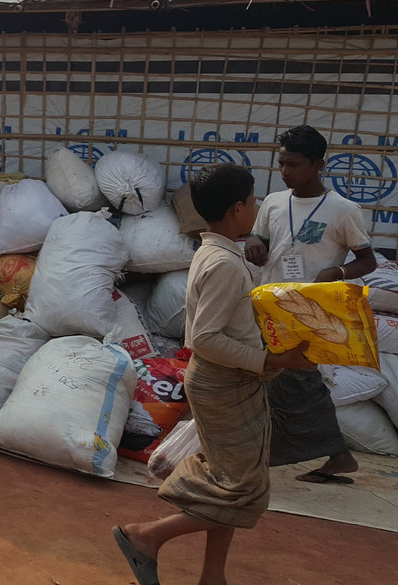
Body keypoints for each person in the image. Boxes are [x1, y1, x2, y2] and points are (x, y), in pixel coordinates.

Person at [115, 163, 315, 585]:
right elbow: (203, 338)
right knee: (242, 488)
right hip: (225, 384)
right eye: (253, 201)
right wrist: (270, 361)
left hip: (228, 382)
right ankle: (145, 537)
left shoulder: (217, 252)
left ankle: (213, 576)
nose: (257, 208)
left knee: (230, 482)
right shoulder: (224, 263)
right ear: (238, 208)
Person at [244, 124, 377, 484]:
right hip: (269, 304)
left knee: (294, 379)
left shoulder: (343, 209)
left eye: (294, 164)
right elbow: (261, 240)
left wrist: (336, 270)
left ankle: (260, 456)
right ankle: (335, 454)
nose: (285, 171)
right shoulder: (273, 202)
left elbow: (368, 261)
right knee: (284, 378)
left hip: (310, 311)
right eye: (282, 163)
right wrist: (254, 244)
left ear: (318, 165)